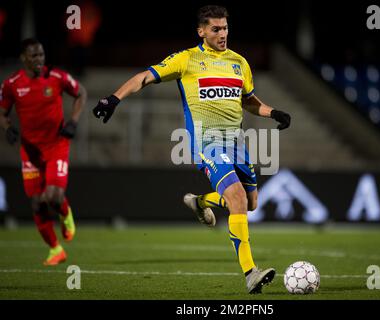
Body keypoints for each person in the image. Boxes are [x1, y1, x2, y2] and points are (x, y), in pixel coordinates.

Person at [93, 5, 291, 294]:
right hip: (207, 141)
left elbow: (247, 100)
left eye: (225, 28)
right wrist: (113, 98)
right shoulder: (186, 59)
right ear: (201, 31)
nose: (223, 33)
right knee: (236, 197)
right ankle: (250, 272)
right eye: (216, 29)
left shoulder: (239, 62)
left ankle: (202, 202)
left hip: (236, 142)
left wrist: (273, 112)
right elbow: (144, 77)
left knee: (250, 204)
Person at [0, 38, 87, 265]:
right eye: (34, 56)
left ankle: (65, 214)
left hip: (56, 145)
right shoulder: (12, 84)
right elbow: (2, 111)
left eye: (41, 55)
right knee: (37, 203)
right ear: (23, 58)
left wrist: (73, 121)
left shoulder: (56, 77)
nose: (39, 60)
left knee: (53, 196)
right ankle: (55, 249)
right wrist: (7, 127)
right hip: (30, 151)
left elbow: (81, 93)